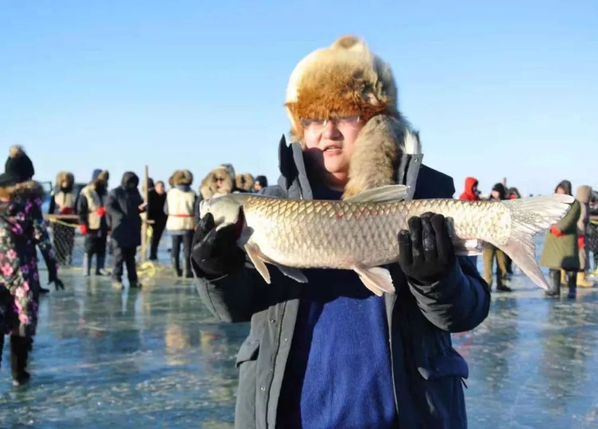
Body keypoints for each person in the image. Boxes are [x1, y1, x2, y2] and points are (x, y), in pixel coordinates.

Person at [192, 36, 490, 428]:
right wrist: (216, 273)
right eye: (313, 119)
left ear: (375, 119)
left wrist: (438, 280)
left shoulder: (425, 196)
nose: (327, 132)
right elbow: (232, 308)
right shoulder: (268, 204)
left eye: (345, 114)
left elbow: (468, 310)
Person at [0, 146, 64, 386]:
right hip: (23, 273)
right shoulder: (30, 205)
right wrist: (53, 269)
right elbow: (43, 239)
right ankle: (19, 372)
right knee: (22, 323)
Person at [540, 180, 581, 298]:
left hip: (567, 238)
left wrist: (559, 227)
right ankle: (554, 289)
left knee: (570, 266)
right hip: (553, 239)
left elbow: (571, 218)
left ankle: (572, 289)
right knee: (554, 265)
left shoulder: (574, 204)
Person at [107, 172, 145, 289]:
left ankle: (133, 280)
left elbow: (139, 205)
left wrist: (143, 208)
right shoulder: (116, 192)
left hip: (132, 228)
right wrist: (119, 215)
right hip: (120, 228)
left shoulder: (135, 192)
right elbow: (109, 206)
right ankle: (116, 279)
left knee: (131, 257)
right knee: (118, 255)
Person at [77, 169, 110, 276]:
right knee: (89, 247)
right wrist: (82, 223)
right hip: (91, 223)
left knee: (102, 247)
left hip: (103, 223)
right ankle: (86, 270)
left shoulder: (105, 191)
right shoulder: (86, 192)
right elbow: (81, 209)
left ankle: (100, 268)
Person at [165, 170, 196, 278]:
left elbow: (165, 209)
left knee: (175, 247)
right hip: (188, 223)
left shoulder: (170, 193)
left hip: (173, 222)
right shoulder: (192, 193)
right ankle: (187, 270)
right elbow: (196, 210)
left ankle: (175, 270)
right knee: (187, 248)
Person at [482, 183, 511, 292]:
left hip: (501, 240)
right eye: (493, 191)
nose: (494, 193)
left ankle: (501, 283)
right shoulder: (486, 204)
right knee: (488, 264)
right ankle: (487, 284)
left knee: (502, 264)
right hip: (488, 240)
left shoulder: (506, 204)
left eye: (496, 191)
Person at [48, 171, 76, 266]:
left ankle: (68, 258)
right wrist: (50, 219)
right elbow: (51, 208)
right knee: (57, 242)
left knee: (69, 242)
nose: (65, 183)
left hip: (70, 221)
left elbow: (76, 207)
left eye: (67, 181)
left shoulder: (73, 194)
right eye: (64, 181)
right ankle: (59, 260)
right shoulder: (55, 193)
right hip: (57, 221)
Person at [575, 186, 594, 288]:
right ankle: (580, 278)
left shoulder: (576, 204)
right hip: (581, 234)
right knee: (582, 256)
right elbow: (581, 220)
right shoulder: (582, 206)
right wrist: (581, 234)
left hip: (578, 234)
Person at [147, 179, 167, 261]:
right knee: (151, 238)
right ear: (155, 187)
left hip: (161, 220)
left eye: (163, 187)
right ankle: (151, 253)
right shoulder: (150, 194)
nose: (162, 188)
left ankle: (153, 253)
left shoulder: (165, 195)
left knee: (157, 238)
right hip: (151, 219)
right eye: (160, 187)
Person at [587, 190, 598, 273]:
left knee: (596, 252)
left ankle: (595, 267)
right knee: (585, 251)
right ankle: (586, 268)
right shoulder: (586, 207)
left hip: (597, 232)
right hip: (588, 231)